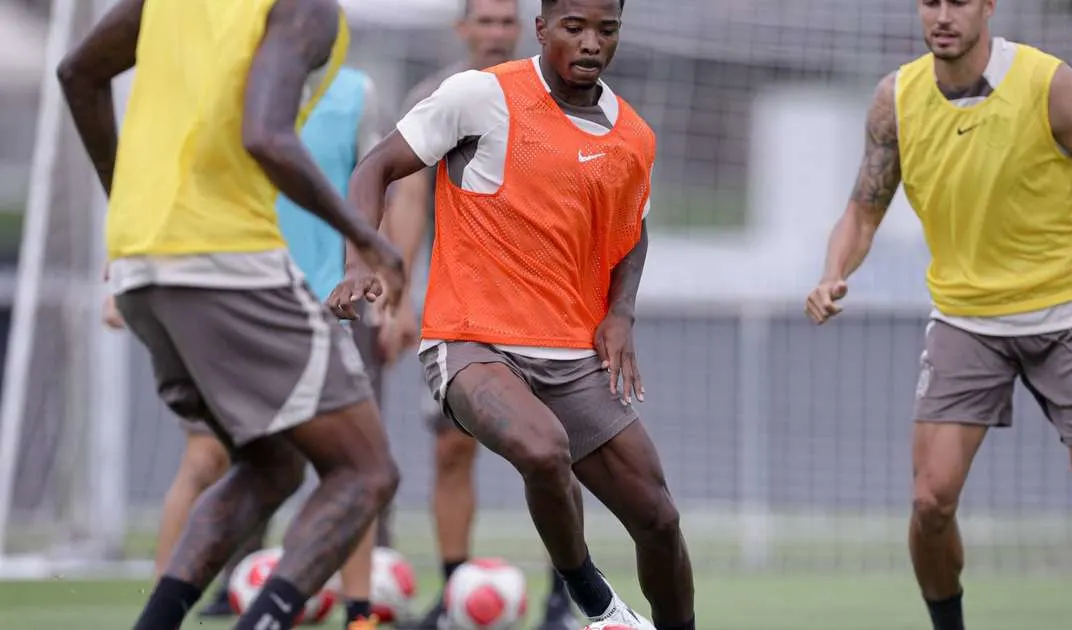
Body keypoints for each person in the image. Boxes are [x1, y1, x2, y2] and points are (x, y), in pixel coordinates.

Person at [804, 1, 1072, 629]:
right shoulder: (896, 99)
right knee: (930, 500)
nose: (943, 15)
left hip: (1068, 313)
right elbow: (862, 210)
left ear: (988, 6)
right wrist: (831, 273)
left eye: (959, 0)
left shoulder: (1050, 86)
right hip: (965, 320)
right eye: (930, 1)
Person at [328, 1, 696, 628]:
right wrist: (365, 259)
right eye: (574, 28)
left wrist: (621, 314)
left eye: (606, 31)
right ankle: (594, 600)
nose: (590, 44)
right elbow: (377, 167)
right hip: (471, 343)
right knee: (543, 449)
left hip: (572, 355)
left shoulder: (632, 136)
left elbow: (633, 231)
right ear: (542, 29)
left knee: (659, 519)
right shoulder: (479, 96)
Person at [57, 1, 407, 629]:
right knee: (364, 469)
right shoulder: (303, 7)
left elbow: (78, 72)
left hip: (143, 264)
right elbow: (265, 135)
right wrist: (369, 238)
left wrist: (127, 208)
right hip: (227, 259)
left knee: (270, 464)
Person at [180, 65, 405, 630]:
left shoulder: (358, 90)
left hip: (333, 299)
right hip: (246, 298)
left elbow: (376, 183)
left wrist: (381, 277)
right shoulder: (230, 77)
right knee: (216, 458)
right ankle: (190, 598)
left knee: (358, 460)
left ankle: (360, 611)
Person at [382, 1, 575, 628]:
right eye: (483, 21)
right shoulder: (436, 96)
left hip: (548, 310)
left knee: (552, 454)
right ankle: (453, 591)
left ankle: (565, 594)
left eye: (504, 21)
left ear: (522, 29)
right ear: (462, 29)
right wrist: (398, 292)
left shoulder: (558, 96)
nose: (495, 32)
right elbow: (407, 194)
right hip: (460, 310)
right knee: (449, 453)